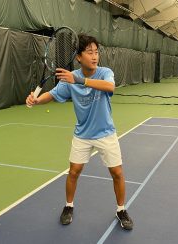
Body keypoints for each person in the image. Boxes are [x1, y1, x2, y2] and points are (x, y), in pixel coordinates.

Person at [26, 34, 133, 230]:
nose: (94, 56)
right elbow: (53, 94)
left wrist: (80, 80)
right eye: (89, 52)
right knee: (73, 172)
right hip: (82, 134)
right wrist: (36, 100)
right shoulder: (69, 80)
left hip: (106, 133)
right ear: (79, 57)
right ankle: (69, 206)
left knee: (117, 172)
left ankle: (121, 209)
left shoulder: (104, 72)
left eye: (96, 52)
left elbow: (111, 87)